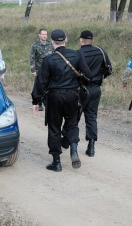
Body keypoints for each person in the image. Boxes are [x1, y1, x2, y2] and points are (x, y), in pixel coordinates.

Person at [31, 29, 92, 172]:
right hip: (72, 95)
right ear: (66, 39)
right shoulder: (77, 55)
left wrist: (36, 101)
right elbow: (88, 75)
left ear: (52, 42)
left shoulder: (49, 60)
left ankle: (56, 162)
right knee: (72, 124)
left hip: (54, 97)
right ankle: (74, 151)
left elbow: (41, 83)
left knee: (54, 128)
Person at [77, 30, 112, 157]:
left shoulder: (78, 53)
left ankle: (70, 142)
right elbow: (109, 69)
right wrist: (99, 78)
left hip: (81, 89)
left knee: (75, 116)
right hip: (96, 89)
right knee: (91, 117)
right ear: (92, 40)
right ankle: (91, 147)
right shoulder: (101, 51)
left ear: (81, 40)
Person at [30, 28, 54, 111]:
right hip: (39, 69)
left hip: (49, 69)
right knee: (39, 86)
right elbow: (32, 58)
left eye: (46, 34)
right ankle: (39, 103)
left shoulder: (50, 44)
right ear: (39, 35)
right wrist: (33, 70)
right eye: (43, 34)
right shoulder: (35, 45)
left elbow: (54, 56)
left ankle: (47, 102)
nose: (44, 36)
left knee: (49, 86)